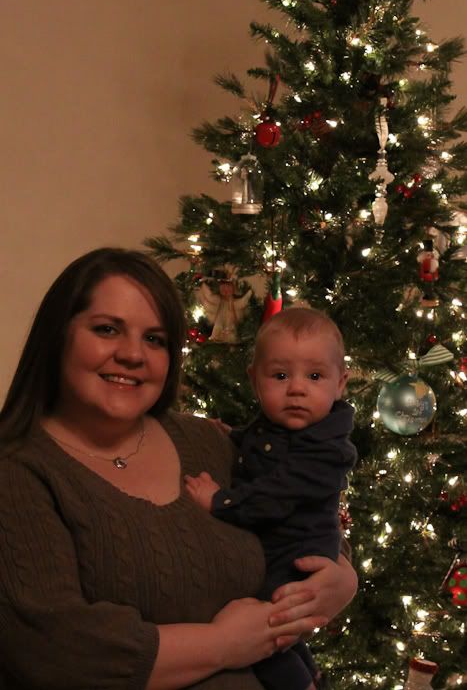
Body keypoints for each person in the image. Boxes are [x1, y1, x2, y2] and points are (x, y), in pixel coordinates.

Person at [0, 248, 358, 690]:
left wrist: (343, 577)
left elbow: (297, 512)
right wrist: (223, 644)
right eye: (107, 329)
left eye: (154, 339)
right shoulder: (18, 471)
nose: (133, 354)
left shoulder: (206, 440)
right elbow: (53, 650)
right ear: (59, 336)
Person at [185, 307, 358, 690]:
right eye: (280, 376)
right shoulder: (275, 426)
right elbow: (259, 444)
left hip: (298, 555)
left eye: (315, 376)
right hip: (281, 549)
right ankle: (313, 678)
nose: (296, 388)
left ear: (340, 383)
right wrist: (230, 434)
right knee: (287, 635)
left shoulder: (327, 450)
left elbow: (272, 496)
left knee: (267, 634)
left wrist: (218, 501)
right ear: (254, 380)